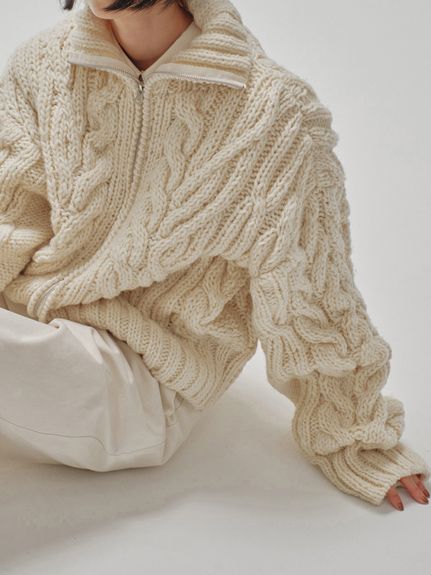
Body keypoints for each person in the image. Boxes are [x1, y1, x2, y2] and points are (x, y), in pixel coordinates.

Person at [0, 0, 429, 511]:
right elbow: (11, 218)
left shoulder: (275, 116)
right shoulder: (43, 65)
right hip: (26, 330)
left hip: (138, 381)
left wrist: (355, 438)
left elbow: (311, 295)